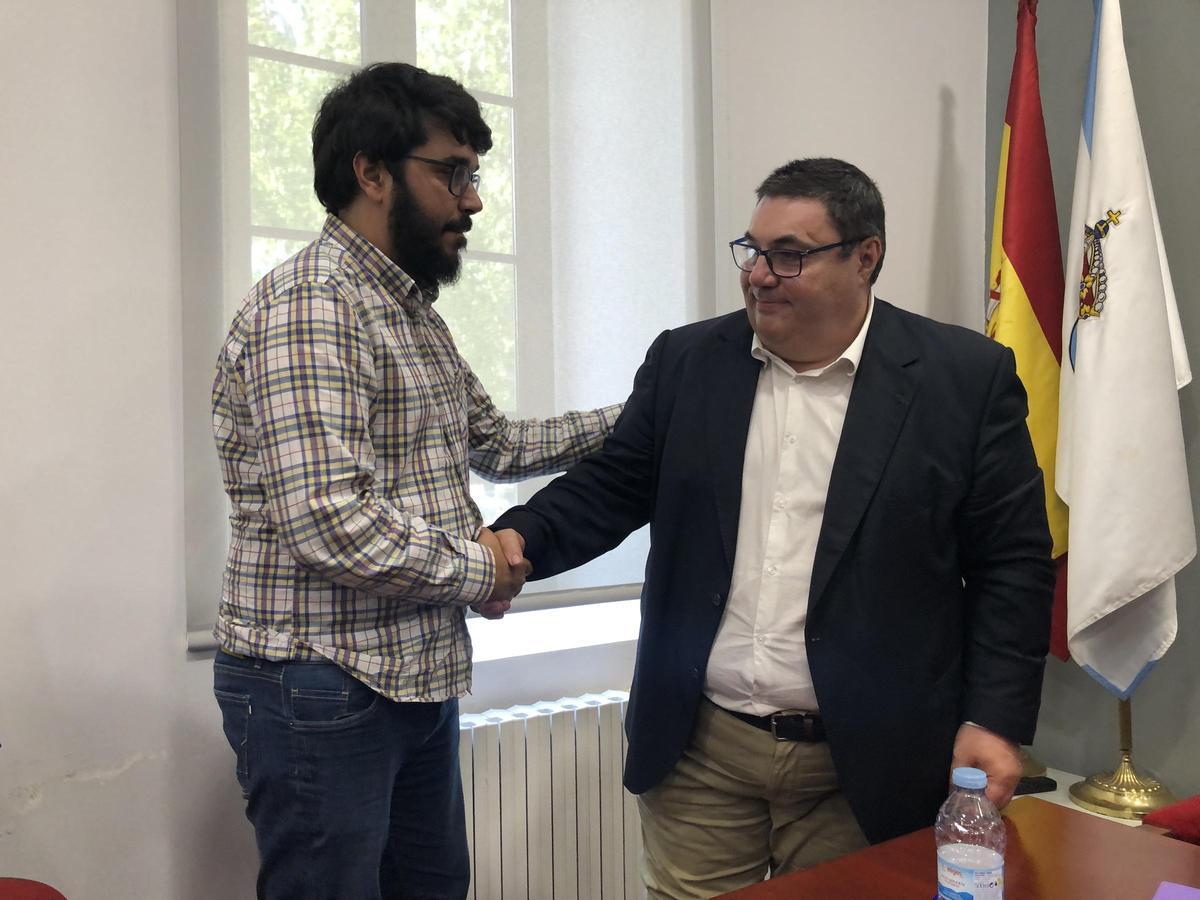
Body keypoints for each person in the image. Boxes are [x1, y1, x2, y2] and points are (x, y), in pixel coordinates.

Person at [493, 158, 1054, 898]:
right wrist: (520, 542)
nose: (758, 274)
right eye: (751, 251)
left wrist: (993, 717)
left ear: (866, 256)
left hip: (865, 760)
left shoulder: (963, 379)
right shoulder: (689, 360)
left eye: (788, 255)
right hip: (702, 748)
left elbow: (1011, 563)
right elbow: (615, 484)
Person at [210, 62, 621, 899]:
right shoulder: (313, 307)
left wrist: (645, 413)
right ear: (371, 171)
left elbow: (496, 441)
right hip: (319, 683)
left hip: (410, 671)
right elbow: (331, 521)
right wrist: (485, 569)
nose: (473, 200)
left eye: (475, 173)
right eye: (453, 171)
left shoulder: (406, 311)